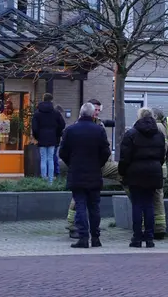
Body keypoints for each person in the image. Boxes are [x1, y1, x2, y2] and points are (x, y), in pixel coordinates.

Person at [59, 102, 111, 249]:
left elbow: (62, 152)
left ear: (81, 114)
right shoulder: (99, 131)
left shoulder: (70, 130)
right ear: (92, 114)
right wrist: (98, 164)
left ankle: (83, 238)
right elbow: (106, 152)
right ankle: (96, 238)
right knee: (94, 207)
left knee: (80, 206)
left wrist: (72, 163)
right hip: (94, 174)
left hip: (77, 174)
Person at [66, 98, 119, 239]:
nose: (96, 113)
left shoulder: (99, 124)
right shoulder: (80, 126)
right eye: (95, 110)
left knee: (123, 173)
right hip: (91, 167)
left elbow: (105, 151)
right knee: (79, 200)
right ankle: (73, 225)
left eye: (98, 110)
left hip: (95, 165)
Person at [118, 107, 166, 248]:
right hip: (153, 173)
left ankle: (137, 238)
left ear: (139, 117)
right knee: (149, 205)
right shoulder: (159, 134)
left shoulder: (131, 134)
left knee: (138, 205)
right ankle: (150, 238)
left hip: (135, 174)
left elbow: (125, 157)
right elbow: (162, 156)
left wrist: (123, 172)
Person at [31, 93, 66, 184]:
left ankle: (43, 180)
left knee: (43, 158)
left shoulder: (37, 113)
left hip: (42, 138)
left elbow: (34, 128)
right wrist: (57, 133)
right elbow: (62, 125)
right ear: (51, 100)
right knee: (50, 158)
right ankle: (50, 181)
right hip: (52, 138)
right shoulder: (55, 112)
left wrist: (37, 136)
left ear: (43, 99)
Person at [152, 107, 168, 239]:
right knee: (159, 197)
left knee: (156, 198)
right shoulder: (163, 126)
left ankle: (158, 228)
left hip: (157, 167)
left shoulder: (157, 127)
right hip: (162, 167)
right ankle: (160, 227)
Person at [54, 104, 65, 177]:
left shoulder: (51, 116)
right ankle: (57, 172)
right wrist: (59, 133)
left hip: (52, 139)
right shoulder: (58, 116)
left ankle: (55, 172)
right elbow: (62, 125)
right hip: (55, 139)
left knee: (51, 156)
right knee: (54, 155)